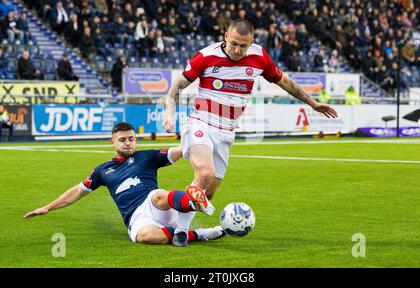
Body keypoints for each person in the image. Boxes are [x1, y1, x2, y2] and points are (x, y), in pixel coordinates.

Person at [163, 19, 338, 245]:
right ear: (225, 36)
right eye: (233, 43)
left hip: (226, 131)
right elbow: (176, 86)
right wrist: (169, 113)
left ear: (251, 42)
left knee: (209, 192)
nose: (237, 50)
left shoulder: (260, 57)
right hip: (200, 122)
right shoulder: (206, 56)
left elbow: (284, 81)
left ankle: (174, 218)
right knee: (204, 174)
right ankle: (180, 232)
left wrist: (313, 103)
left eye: (243, 46)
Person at [24, 122, 226, 247]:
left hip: (156, 204)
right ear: (112, 142)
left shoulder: (148, 156)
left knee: (158, 194)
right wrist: (48, 207)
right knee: (146, 237)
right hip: (136, 219)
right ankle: (197, 233)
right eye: (122, 140)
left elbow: (182, 150)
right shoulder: (102, 170)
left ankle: (192, 201)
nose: (128, 143)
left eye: (131, 139)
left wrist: (200, 139)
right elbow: (77, 191)